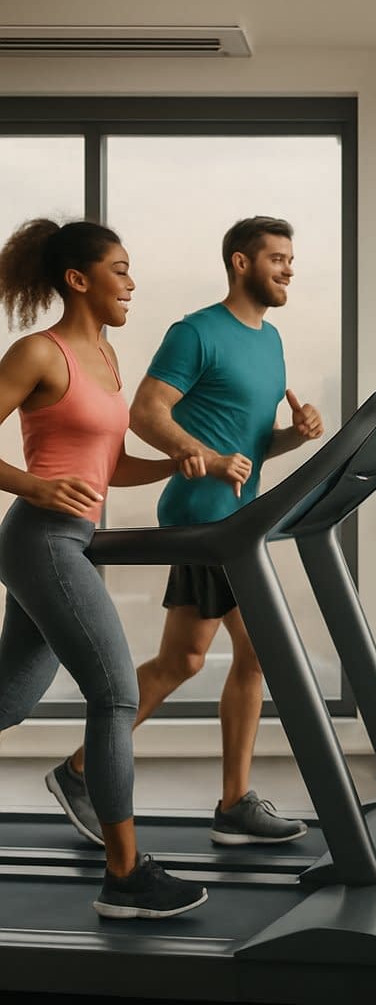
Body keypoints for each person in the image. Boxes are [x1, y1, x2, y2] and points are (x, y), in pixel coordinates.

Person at [51, 216, 324, 848]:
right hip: (203, 520)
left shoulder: (273, 341)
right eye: (277, 258)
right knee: (251, 653)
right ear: (239, 262)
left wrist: (294, 434)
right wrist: (199, 452)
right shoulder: (196, 332)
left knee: (188, 659)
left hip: (239, 520)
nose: (288, 269)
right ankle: (222, 801)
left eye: (291, 259)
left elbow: (250, 446)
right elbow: (147, 413)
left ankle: (87, 770)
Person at [0, 218, 207, 918]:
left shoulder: (109, 361)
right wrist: (33, 486)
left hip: (71, 542)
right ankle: (125, 876)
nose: (132, 282)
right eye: (120, 269)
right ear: (79, 280)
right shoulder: (39, 352)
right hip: (41, 540)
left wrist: (175, 461)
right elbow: (54, 474)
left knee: (9, 701)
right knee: (116, 694)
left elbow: (107, 464)